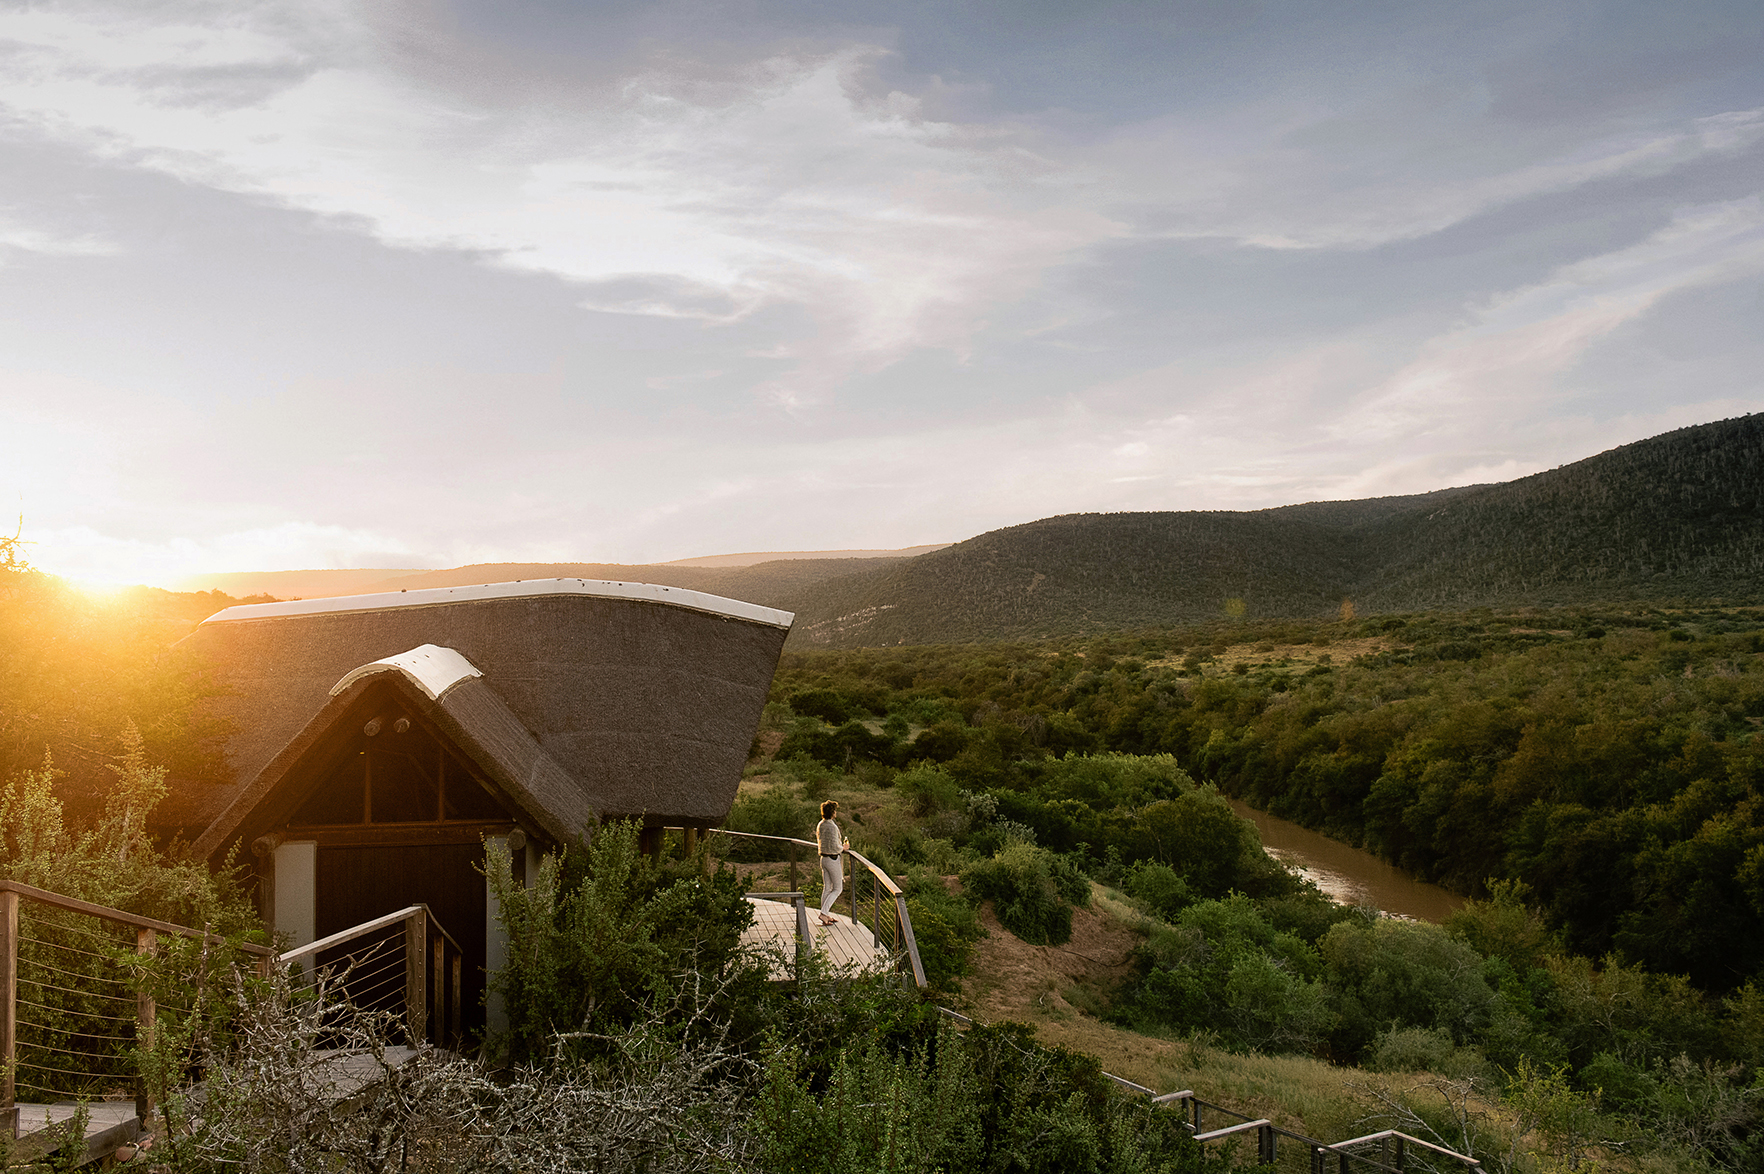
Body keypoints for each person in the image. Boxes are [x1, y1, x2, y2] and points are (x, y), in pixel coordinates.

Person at [816, 799, 849, 926]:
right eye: (835, 810)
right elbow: (835, 846)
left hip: (823, 858)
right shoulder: (832, 826)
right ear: (832, 812)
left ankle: (825, 915)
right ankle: (824, 913)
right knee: (837, 888)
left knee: (827, 888)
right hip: (832, 859)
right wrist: (844, 848)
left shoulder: (821, 824)